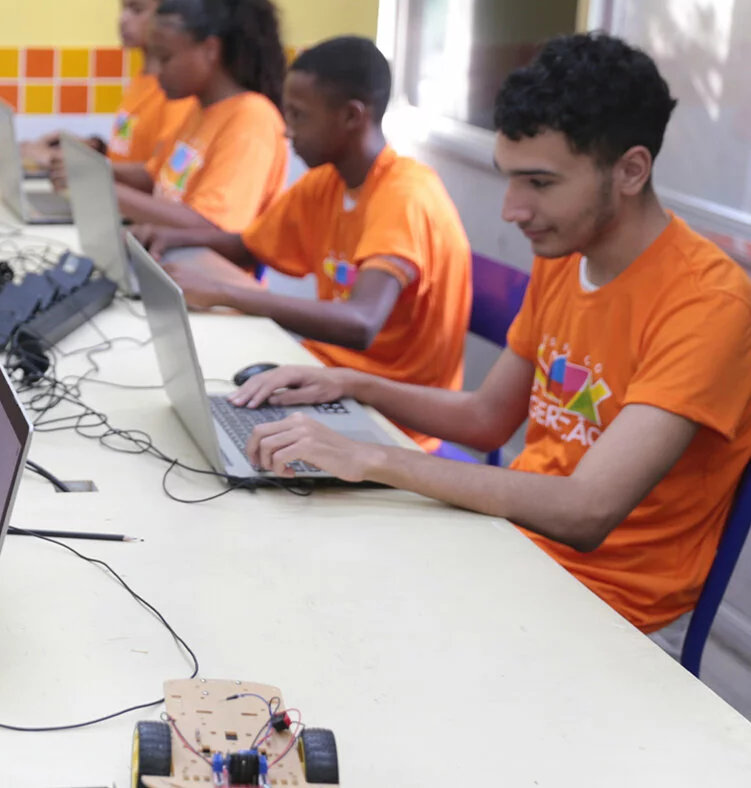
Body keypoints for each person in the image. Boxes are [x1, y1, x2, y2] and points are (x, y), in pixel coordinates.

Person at [233, 33, 751, 635]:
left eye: (540, 183)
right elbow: (486, 418)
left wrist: (373, 458)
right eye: (510, 178)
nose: (511, 209)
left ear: (631, 170)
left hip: (608, 613)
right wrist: (349, 383)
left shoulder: (709, 303)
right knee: (280, 564)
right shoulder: (566, 255)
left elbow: (588, 510)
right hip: (513, 550)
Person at [133, 36, 472, 449]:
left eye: (299, 116)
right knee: (179, 414)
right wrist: (171, 237)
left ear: (351, 117)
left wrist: (225, 292)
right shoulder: (327, 183)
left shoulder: (404, 195)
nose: (288, 132)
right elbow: (250, 246)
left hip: (393, 419)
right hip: (326, 378)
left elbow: (361, 323)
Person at [111, 0, 289, 233]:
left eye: (165, 58)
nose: (157, 72)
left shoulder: (251, 118)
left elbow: (209, 225)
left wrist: (105, 191)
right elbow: (157, 177)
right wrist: (95, 171)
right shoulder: (198, 108)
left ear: (210, 50)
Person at [28, 0, 200, 167]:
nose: (122, 19)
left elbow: (160, 179)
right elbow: (134, 155)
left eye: (137, 9)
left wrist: (57, 161)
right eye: (123, 7)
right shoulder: (143, 78)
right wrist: (95, 148)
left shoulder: (180, 96)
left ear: (174, 16)